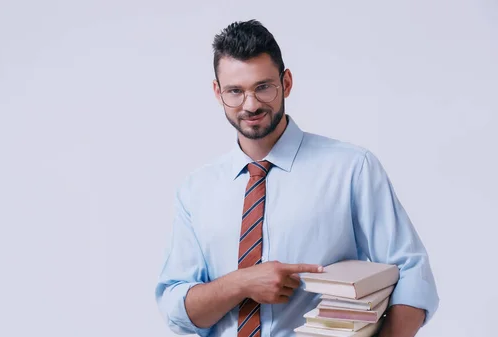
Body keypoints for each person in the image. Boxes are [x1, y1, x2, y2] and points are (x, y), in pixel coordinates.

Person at [154, 19, 439, 337]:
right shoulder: (196, 190)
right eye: (235, 91)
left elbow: (413, 274)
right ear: (217, 92)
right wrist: (242, 282)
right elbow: (177, 309)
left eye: (263, 87)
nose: (250, 105)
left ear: (286, 83)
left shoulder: (350, 169)